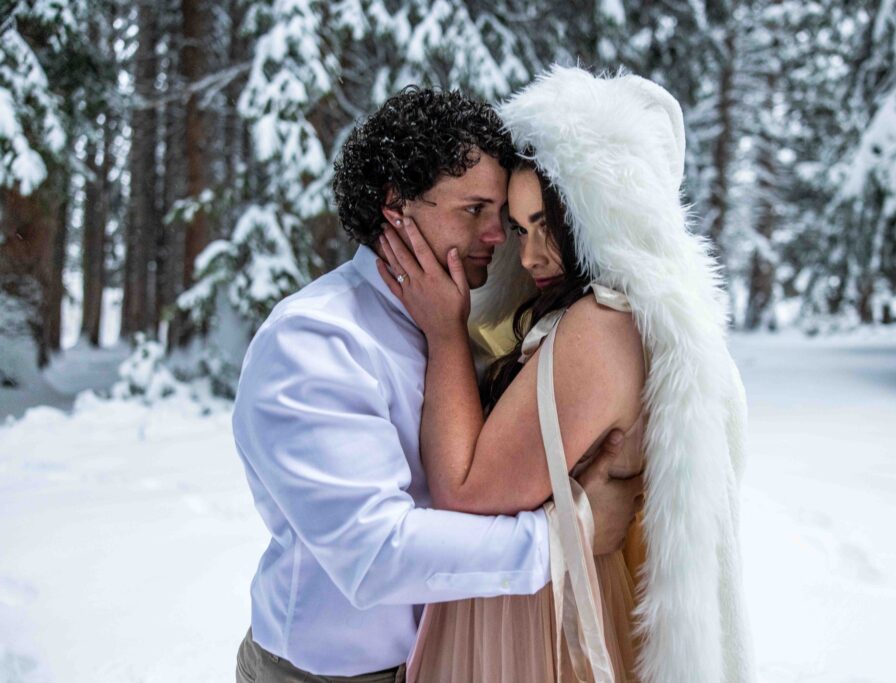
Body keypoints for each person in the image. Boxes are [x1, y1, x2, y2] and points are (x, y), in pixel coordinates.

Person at [232, 86, 643, 683]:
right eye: (472, 210)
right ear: (396, 207)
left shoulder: (460, 325)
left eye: (498, 215)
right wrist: (562, 538)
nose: (498, 237)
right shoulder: (314, 341)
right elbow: (373, 555)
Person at [380, 67, 756, 682]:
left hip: (539, 624)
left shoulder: (600, 326)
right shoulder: (625, 321)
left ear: (600, 215)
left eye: (551, 225)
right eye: (521, 229)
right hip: (551, 597)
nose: (528, 257)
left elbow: (465, 490)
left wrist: (445, 332)